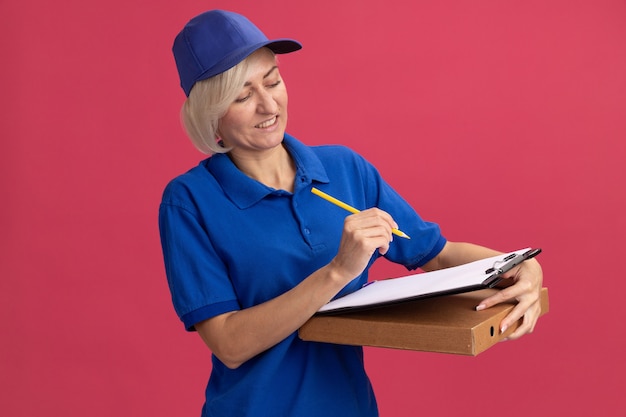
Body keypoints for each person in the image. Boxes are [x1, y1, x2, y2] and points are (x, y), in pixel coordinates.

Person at [159, 9, 543, 417]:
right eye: (243, 95)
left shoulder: (344, 169)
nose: (268, 104)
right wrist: (338, 271)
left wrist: (522, 267)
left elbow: (439, 254)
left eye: (273, 80)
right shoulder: (188, 201)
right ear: (210, 113)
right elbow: (229, 345)